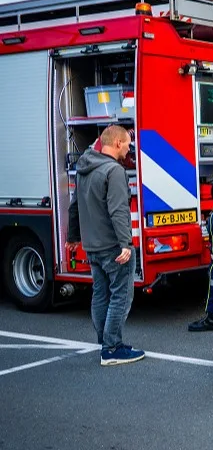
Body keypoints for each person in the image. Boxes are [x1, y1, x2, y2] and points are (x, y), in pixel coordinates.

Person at [66, 125, 144, 366]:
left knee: (100, 293)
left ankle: (105, 342)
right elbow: (118, 210)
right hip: (112, 245)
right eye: (128, 144)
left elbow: (74, 206)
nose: (129, 149)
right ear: (118, 143)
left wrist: (73, 237)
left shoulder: (84, 167)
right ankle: (111, 349)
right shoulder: (114, 171)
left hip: (92, 246)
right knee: (121, 295)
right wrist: (125, 243)